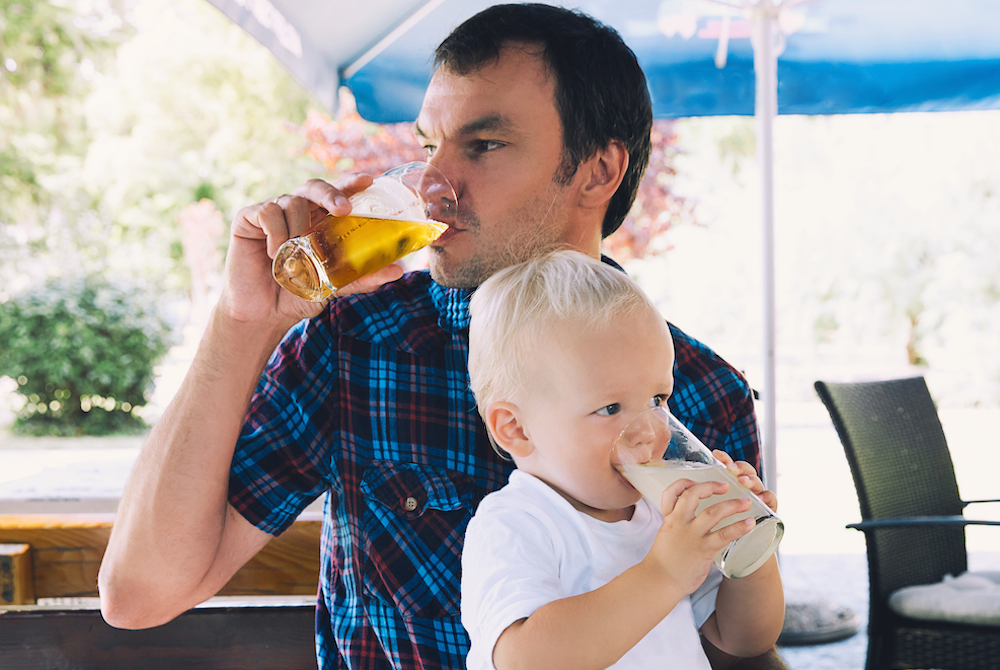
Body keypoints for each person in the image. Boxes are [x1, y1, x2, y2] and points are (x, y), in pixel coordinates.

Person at [98, 4, 787, 669]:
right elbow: (138, 595)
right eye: (430, 145)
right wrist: (243, 324)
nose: (431, 184)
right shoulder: (355, 346)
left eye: (483, 145)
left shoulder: (702, 390)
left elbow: (730, 646)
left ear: (598, 171)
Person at [462, 250, 784, 670]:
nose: (650, 429)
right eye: (610, 408)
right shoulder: (515, 523)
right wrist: (664, 573)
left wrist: (747, 547)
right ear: (517, 429)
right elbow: (526, 659)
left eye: (657, 399)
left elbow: (743, 640)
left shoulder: (662, 513)